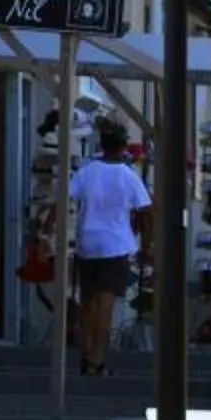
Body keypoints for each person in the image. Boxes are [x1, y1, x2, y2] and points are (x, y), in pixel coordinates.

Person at [65, 119, 152, 376]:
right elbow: (146, 212)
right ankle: (98, 359)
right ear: (123, 147)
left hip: (87, 243)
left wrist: (49, 229)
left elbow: (65, 198)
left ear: (102, 145)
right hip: (115, 246)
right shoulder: (129, 176)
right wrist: (146, 247)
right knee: (105, 305)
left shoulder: (86, 172)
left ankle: (85, 351)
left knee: (87, 302)